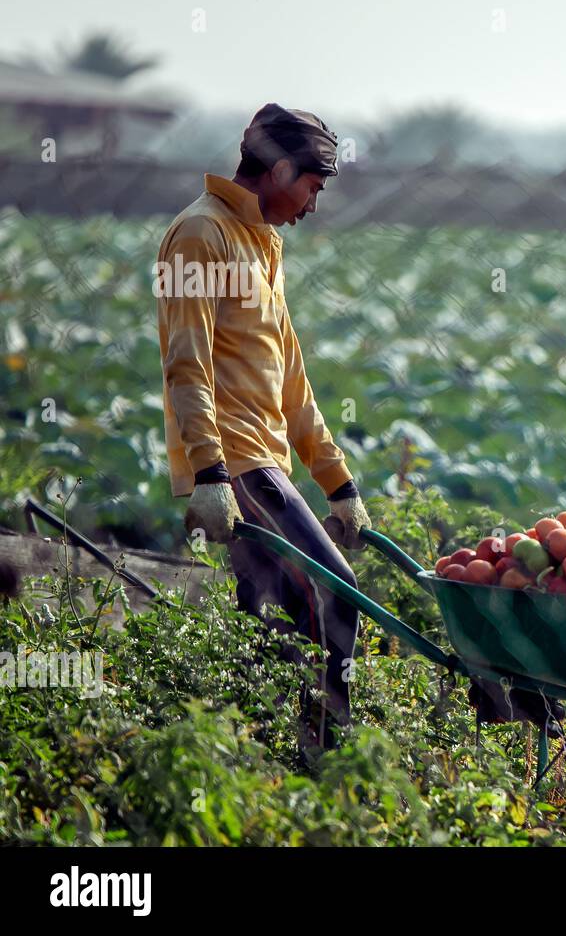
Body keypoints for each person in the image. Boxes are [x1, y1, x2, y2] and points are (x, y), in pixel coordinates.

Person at [154, 103, 370, 767]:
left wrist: (339, 481)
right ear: (278, 169)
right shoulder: (199, 235)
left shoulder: (262, 243)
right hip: (238, 464)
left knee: (268, 620)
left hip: (265, 460)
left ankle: (255, 760)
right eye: (312, 186)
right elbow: (185, 363)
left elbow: (292, 381)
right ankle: (324, 764)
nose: (312, 203)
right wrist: (210, 474)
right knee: (333, 596)